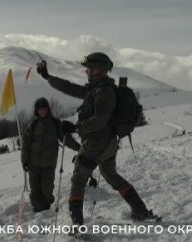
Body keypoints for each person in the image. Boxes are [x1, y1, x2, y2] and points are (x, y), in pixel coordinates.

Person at [35, 52, 157, 225]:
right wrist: (48, 77)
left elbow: (100, 121)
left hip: (96, 143)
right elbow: (71, 88)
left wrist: (76, 127)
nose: (86, 71)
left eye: (89, 68)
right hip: (108, 144)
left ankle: (77, 226)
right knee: (111, 176)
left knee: (78, 179)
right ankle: (140, 210)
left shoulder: (103, 92)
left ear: (98, 70)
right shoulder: (95, 88)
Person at [21, 97, 80, 212]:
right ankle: (39, 211)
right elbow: (25, 144)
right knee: (35, 189)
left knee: (47, 190)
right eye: (40, 109)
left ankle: (46, 208)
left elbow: (66, 139)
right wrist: (25, 160)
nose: (43, 111)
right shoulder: (33, 126)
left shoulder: (55, 124)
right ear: (36, 111)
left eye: (45, 109)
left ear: (48, 109)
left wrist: (79, 148)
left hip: (49, 164)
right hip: (34, 164)